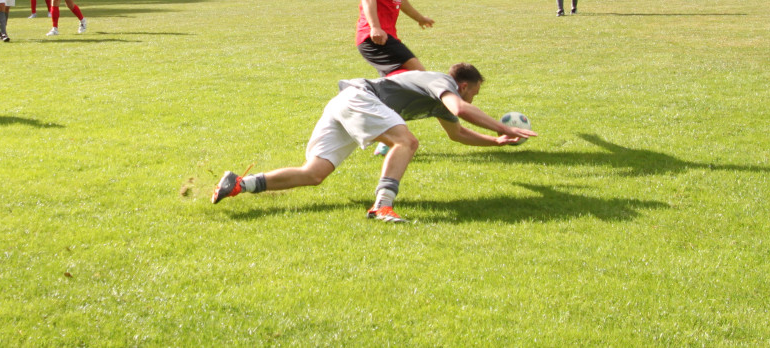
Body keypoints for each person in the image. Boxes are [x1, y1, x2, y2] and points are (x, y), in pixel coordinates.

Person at [211, 64, 536, 222]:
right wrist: (503, 127)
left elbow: (459, 133)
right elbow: (462, 110)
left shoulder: (439, 101)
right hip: (359, 99)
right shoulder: (443, 83)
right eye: (476, 91)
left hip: (345, 103)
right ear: (463, 85)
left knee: (314, 174)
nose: (474, 96)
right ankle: (382, 205)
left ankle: (240, 183)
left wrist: (496, 141)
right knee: (406, 142)